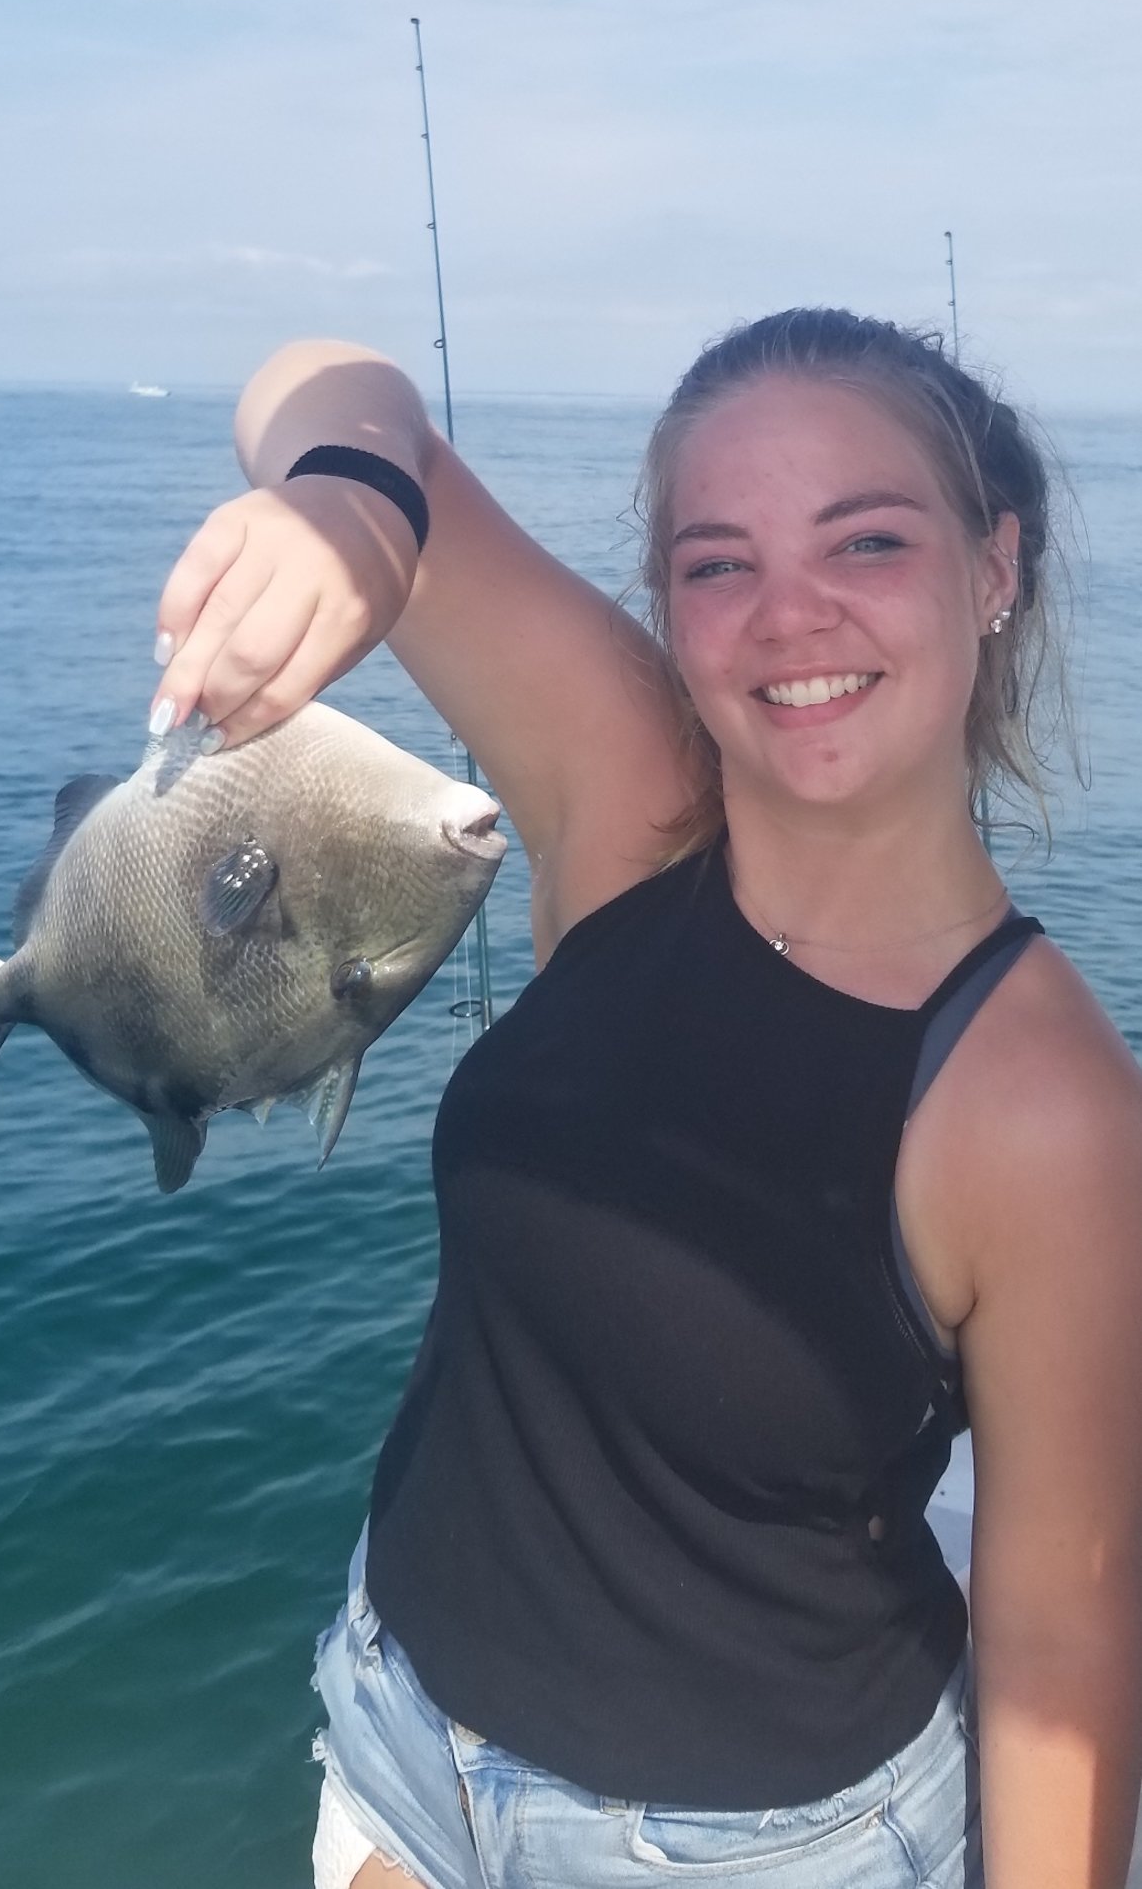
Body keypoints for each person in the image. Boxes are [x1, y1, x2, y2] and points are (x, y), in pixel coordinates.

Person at [153, 311, 1142, 1889]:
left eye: (866, 539)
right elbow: (314, 382)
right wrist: (354, 503)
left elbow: (1059, 1631)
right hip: (399, 1747)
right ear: (668, 604)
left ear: (992, 565)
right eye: (715, 562)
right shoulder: (630, 806)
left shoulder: (1037, 1101)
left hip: (745, 1848)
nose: (787, 614)